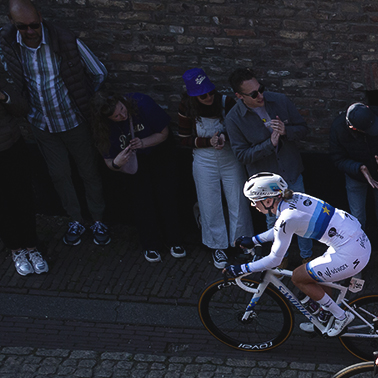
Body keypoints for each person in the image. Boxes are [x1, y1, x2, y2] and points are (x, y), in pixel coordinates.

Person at [2, 0, 109, 247]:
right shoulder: (8, 45)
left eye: (33, 25)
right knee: (59, 175)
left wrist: (84, 100)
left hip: (73, 121)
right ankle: (75, 220)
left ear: (40, 17)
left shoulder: (65, 40)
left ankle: (98, 219)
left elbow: (99, 72)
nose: (29, 31)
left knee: (88, 172)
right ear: (12, 24)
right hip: (42, 125)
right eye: (22, 27)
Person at [224, 172, 370, 337]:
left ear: (268, 201)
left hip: (349, 253)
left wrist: (242, 268)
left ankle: (341, 316)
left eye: (254, 201)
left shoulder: (287, 217)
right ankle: (325, 315)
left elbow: (274, 260)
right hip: (355, 242)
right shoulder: (294, 198)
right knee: (313, 275)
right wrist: (254, 240)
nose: (252, 205)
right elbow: (281, 229)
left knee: (298, 276)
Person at [225, 67, 313, 261]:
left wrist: (286, 131)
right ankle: (279, 261)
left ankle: (308, 260)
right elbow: (241, 155)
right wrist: (269, 144)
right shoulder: (233, 119)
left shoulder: (279, 101)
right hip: (267, 184)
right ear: (239, 96)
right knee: (273, 222)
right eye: (254, 94)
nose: (260, 96)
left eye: (261, 89)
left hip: (290, 171)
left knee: (303, 217)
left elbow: (303, 129)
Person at [93, 90, 186, 263]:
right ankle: (151, 244)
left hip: (158, 153)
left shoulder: (142, 104)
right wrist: (117, 163)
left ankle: (174, 240)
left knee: (166, 196)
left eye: (122, 109)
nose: (122, 115)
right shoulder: (103, 129)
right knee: (142, 201)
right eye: (116, 116)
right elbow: (109, 161)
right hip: (133, 164)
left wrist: (143, 143)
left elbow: (164, 133)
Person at [176, 67, 251, 269]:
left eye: (210, 93)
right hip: (204, 159)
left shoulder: (227, 102)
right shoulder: (186, 108)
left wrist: (226, 137)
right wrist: (208, 142)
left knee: (238, 200)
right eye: (203, 95)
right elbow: (184, 140)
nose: (208, 97)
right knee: (209, 203)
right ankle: (217, 245)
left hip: (229, 157)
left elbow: (242, 128)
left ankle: (243, 244)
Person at [329, 102, 378, 275]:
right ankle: (358, 262)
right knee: (357, 221)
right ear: (353, 128)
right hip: (356, 177)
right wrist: (359, 168)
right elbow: (337, 158)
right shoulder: (338, 128)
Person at [0, 53, 48, 274]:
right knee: (4, 204)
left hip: (12, 147)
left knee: (24, 197)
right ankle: (16, 249)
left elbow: (21, 108)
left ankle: (32, 246)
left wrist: (4, 96)